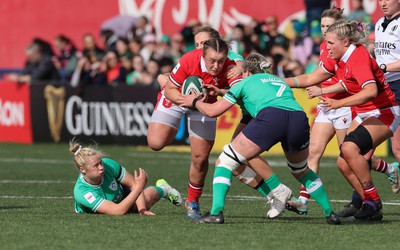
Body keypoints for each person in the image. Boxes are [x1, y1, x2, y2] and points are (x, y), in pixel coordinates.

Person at [177, 53, 340, 225]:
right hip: (298, 118)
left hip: (271, 117)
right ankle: (330, 213)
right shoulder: (278, 80)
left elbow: (213, 111)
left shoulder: (244, 82)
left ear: (246, 72)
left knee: (225, 161)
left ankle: (216, 212)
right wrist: (222, 91)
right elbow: (258, 91)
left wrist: (194, 101)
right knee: (301, 170)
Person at [287, 20, 400, 219]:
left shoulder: (358, 56)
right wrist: (273, 81)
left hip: (385, 111)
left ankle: (372, 201)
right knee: (343, 162)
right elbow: (309, 78)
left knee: (349, 149)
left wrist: (337, 103)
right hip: (365, 111)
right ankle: (369, 202)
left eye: (330, 43)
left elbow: (371, 91)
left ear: (345, 42)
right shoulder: (338, 56)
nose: (326, 46)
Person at [70, 140, 182, 215]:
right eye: (96, 166)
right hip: (114, 205)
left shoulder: (108, 164)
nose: (101, 167)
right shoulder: (82, 192)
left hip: (121, 193)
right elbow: (117, 211)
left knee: (143, 204)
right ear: (82, 169)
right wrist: (139, 187)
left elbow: (133, 185)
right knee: (128, 207)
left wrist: (142, 210)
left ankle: (164, 189)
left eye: (101, 163)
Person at [374, 0, 400, 193]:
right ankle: (364, 202)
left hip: (398, 85)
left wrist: (381, 68)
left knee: (397, 148)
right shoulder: (379, 23)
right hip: (382, 87)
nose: (382, 2)